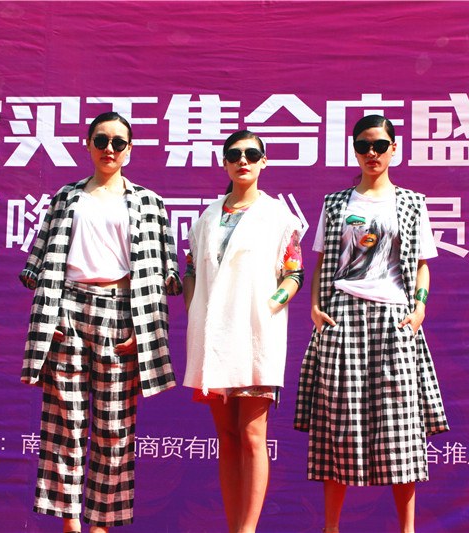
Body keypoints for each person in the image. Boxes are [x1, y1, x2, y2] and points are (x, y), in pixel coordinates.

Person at [18, 112, 181, 533]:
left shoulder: (149, 202)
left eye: (118, 142)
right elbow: (41, 259)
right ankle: (70, 523)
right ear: (88, 144)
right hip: (68, 308)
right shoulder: (66, 196)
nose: (110, 148)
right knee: (64, 424)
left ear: (129, 150)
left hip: (122, 312)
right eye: (102, 140)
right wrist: (51, 317)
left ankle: (100, 526)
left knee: (114, 429)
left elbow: (164, 273)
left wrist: (143, 330)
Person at [294, 115, 449, 533]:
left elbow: (422, 264)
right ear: (355, 151)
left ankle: (407, 530)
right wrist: (315, 307)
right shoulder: (336, 203)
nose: (372, 153)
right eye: (363, 146)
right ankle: (331, 528)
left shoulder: (412, 203)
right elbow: (323, 261)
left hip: (394, 318)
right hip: (343, 315)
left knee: (402, 431)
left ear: (394, 149)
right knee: (338, 426)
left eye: (380, 145)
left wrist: (419, 309)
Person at [183, 130, 304, 533]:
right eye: (234, 154)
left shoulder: (278, 216)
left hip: (254, 335)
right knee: (227, 436)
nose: (243, 161)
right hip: (213, 337)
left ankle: (248, 529)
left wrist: (268, 307)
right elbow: (191, 270)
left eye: (252, 154)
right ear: (224, 163)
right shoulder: (206, 218)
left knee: (252, 433)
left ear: (264, 161)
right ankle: (233, 525)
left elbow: (294, 273)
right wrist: (195, 309)